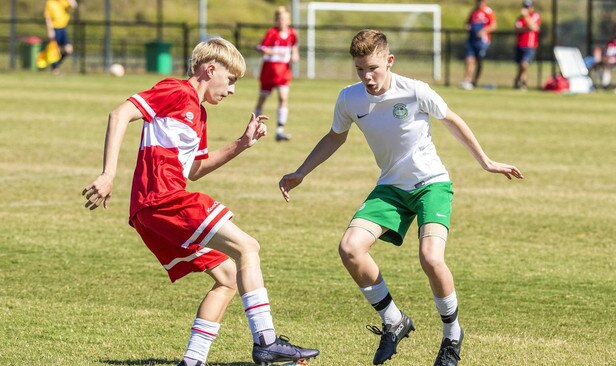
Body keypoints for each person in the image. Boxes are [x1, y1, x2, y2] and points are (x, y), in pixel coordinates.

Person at [279, 29, 523, 366]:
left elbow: (451, 120)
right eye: (360, 69)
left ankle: (452, 335)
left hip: (431, 185)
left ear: (389, 61)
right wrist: (301, 171)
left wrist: (487, 162)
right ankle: (394, 320)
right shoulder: (349, 98)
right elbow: (335, 137)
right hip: (391, 187)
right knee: (350, 248)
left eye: (373, 68)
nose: (367, 77)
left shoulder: (415, 91)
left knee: (431, 258)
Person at [81, 37, 319, 366]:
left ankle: (193, 361)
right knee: (248, 247)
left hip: (155, 208)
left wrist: (242, 144)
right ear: (210, 70)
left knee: (228, 278)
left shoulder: (200, 116)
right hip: (162, 199)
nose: (232, 90)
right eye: (231, 80)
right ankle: (266, 341)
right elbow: (119, 114)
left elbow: (195, 170)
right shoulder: (176, 91)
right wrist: (108, 174)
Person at [254, 6, 300, 142]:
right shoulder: (272, 33)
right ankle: (255, 124)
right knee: (263, 98)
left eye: (285, 19)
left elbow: (294, 47)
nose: (282, 22)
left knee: (283, 98)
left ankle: (280, 130)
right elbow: (260, 47)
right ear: (276, 21)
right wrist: (273, 52)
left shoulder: (292, 33)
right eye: (280, 19)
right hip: (269, 71)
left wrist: (295, 55)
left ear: (289, 20)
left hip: (283, 71)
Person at [460, 0, 497, 90]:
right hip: (471, 40)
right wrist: (468, 26)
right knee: (469, 60)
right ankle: (467, 81)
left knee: (479, 61)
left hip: (482, 41)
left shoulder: (488, 12)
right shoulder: (473, 12)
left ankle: (474, 81)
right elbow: (467, 23)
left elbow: (494, 26)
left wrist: (483, 31)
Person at [513, 0, 541, 90]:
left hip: (530, 45)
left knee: (524, 64)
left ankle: (520, 81)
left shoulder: (535, 16)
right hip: (519, 44)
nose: (526, 9)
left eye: (528, 7)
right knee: (521, 66)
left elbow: (534, 27)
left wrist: (526, 17)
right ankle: (520, 82)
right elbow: (517, 29)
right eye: (525, 7)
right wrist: (526, 28)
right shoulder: (519, 18)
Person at [44, 0, 77, 75]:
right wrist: (50, 30)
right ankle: (55, 69)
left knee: (69, 50)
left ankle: (55, 65)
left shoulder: (63, 1)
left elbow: (74, 5)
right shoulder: (50, 3)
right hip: (55, 29)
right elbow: (48, 18)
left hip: (63, 29)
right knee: (55, 50)